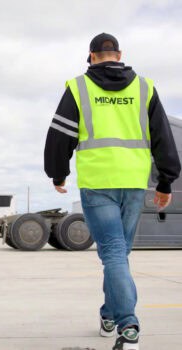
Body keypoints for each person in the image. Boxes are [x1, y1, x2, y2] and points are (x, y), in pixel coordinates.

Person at [44, 33, 180, 350]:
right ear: (119, 55)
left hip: (98, 181)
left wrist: (58, 173)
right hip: (133, 181)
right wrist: (165, 181)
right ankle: (109, 314)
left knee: (114, 254)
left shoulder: (78, 87)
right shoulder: (145, 88)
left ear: (91, 57)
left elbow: (61, 133)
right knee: (119, 254)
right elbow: (162, 136)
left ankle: (127, 326)